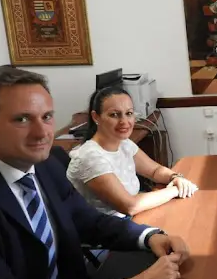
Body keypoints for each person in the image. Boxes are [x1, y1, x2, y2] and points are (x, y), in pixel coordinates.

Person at [0, 66, 190, 279]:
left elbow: (88, 221)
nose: (42, 132)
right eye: (22, 119)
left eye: (46, 117)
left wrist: (149, 236)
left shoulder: (47, 163)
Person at [67, 87, 198, 218]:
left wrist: (175, 177)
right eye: (114, 115)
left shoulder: (124, 143)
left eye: (129, 113)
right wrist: (175, 190)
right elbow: (130, 206)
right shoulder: (90, 157)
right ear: (96, 117)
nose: (124, 121)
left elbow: (155, 171)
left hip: (131, 219)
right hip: (105, 227)